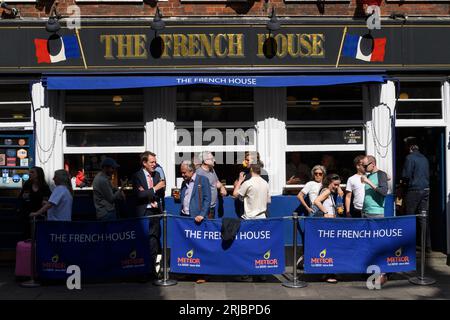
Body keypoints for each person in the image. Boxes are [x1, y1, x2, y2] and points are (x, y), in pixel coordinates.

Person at [132, 151, 166, 278]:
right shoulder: (137, 176)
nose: (154, 164)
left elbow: (160, 193)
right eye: (151, 162)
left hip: (155, 212)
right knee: (142, 242)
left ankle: (152, 271)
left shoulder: (157, 175)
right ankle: (142, 271)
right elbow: (139, 195)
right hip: (143, 213)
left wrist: (151, 195)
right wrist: (154, 189)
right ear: (144, 163)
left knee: (154, 242)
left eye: (155, 161)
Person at [361, 155, 389, 286]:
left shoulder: (379, 174)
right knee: (369, 244)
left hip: (376, 214)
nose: (364, 168)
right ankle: (373, 271)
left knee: (378, 244)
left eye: (365, 166)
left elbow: (384, 192)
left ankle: (382, 274)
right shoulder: (371, 175)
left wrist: (368, 182)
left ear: (373, 164)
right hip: (366, 213)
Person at [401, 137, 431, 250]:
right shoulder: (424, 158)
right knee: (423, 218)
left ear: (409, 147)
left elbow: (406, 176)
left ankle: (409, 246)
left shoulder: (410, 158)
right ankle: (426, 246)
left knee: (409, 217)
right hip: (426, 190)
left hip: (414, 190)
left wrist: (401, 187)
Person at [313, 173, 344, 283]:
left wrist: (338, 188)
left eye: (338, 185)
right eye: (335, 185)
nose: (337, 187)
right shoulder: (326, 191)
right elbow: (316, 201)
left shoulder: (330, 191)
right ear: (329, 182)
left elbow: (337, 187)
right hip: (326, 224)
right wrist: (325, 212)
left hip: (331, 224)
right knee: (328, 248)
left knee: (329, 248)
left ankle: (328, 272)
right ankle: (328, 273)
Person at [18, 166, 51, 239]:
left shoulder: (44, 187)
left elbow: (49, 201)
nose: (30, 174)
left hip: (40, 215)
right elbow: (20, 198)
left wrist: (45, 201)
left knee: (39, 236)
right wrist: (23, 197)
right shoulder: (27, 184)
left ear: (38, 174)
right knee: (27, 236)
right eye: (30, 172)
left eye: (32, 172)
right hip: (27, 215)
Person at [196, 151, 227, 219]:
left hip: (211, 207)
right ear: (205, 161)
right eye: (212, 159)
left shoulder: (211, 169)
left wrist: (222, 187)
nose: (214, 160)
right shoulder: (199, 173)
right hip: (203, 208)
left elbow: (216, 182)